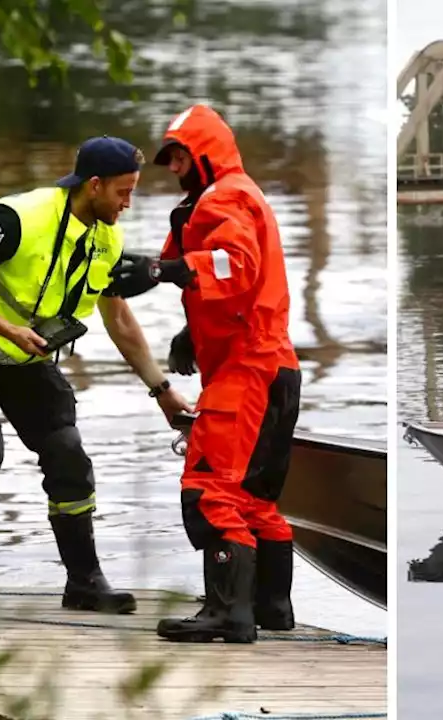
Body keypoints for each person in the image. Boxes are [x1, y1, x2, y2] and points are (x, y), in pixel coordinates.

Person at [0, 135, 192, 616]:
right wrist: (9, 329)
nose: (129, 203)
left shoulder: (105, 238)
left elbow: (119, 320)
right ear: (95, 185)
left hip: (22, 352)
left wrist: (162, 390)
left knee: (67, 452)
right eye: (123, 192)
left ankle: (85, 582)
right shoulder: (20, 219)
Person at [107, 104, 302, 644]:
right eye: (168, 159)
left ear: (205, 155)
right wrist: (191, 332)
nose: (173, 169)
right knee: (256, 500)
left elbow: (234, 266)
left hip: (249, 371)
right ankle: (271, 609)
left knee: (209, 489)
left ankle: (227, 614)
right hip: (276, 368)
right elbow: (241, 279)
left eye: (179, 157)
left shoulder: (227, 197)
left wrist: (166, 269)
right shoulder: (223, 199)